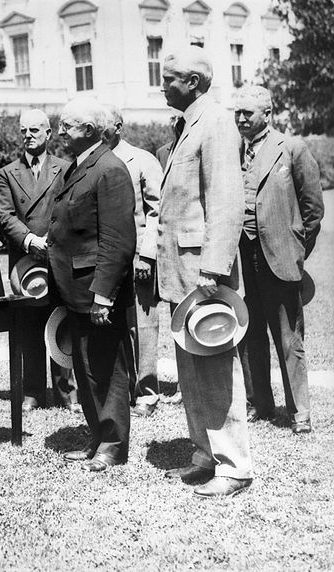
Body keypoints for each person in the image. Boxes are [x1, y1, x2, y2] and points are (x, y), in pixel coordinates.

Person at [157, 47, 253, 498]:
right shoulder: (186, 125)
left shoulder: (214, 123)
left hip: (203, 273)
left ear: (193, 82)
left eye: (168, 78)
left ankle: (234, 466)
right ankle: (204, 453)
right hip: (183, 271)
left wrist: (214, 268)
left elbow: (227, 201)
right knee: (190, 365)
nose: (161, 85)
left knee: (214, 367)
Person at [49, 97, 136, 473]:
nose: (60, 132)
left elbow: (117, 242)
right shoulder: (79, 166)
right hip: (74, 288)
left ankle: (113, 445)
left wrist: (104, 295)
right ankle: (98, 436)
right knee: (85, 369)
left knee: (106, 368)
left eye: (66, 126)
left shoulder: (109, 169)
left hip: (95, 291)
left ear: (88, 130)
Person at [233, 85, 324, 433]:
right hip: (242, 259)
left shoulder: (292, 148)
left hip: (281, 259)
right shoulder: (231, 151)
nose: (241, 119)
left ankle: (300, 412)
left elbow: (313, 210)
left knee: (288, 337)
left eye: (248, 113)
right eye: (237, 113)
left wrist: (296, 252)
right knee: (249, 332)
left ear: (267, 115)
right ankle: (260, 404)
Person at [0, 109, 77, 412]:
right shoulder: (6, 173)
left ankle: (65, 391)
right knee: (28, 325)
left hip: (57, 258)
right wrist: (30, 241)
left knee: (61, 322)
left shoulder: (67, 168)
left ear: (48, 134)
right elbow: (5, 216)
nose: (28, 136)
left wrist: (51, 242)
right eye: (23, 131)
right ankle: (32, 391)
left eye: (35, 131)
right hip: (25, 261)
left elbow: (71, 211)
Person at [102, 105, 164, 418]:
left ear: (119, 126)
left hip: (139, 260)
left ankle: (147, 394)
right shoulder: (93, 161)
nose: (99, 129)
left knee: (143, 327)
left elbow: (157, 212)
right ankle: (119, 390)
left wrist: (147, 255)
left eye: (105, 123)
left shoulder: (142, 160)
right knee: (112, 326)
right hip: (108, 262)